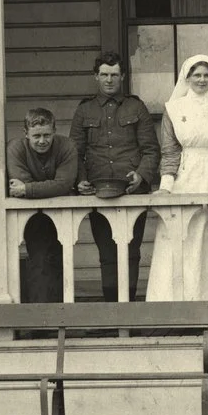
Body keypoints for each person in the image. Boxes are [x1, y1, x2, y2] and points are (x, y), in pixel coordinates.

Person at [146, 54, 208, 303]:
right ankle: (173, 303)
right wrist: (166, 187)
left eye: (207, 75)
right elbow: (170, 150)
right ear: (186, 77)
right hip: (183, 180)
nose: (202, 79)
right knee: (179, 239)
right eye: (196, 75)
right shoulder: (174, 109)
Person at [69, 52, 160, 302]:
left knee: (131, 250)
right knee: (107, 252)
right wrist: (80, 180)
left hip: (132, 192)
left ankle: (128, 308)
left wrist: (141, 175)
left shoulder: (136, 107)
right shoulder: (84, 110)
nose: (109, 80)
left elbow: (151, 149)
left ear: (122, 77)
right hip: (99, 192)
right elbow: (74, 152)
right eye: (104, 75)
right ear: (96, 76)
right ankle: (111, 308)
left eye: (114, 75)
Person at [7, 107, 77, 304]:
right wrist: (49, 188)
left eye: (47, 135)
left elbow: (64, 183)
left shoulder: (66, 146)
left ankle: (59, 318)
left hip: (63, 215)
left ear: (54, 131)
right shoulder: (16, 148)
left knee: (60, 263)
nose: (42, 141)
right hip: (31, 217)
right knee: (39, 262)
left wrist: (28, 190)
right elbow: (18, 182)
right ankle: (40, 321)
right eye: (36, 136)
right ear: (26, 133)